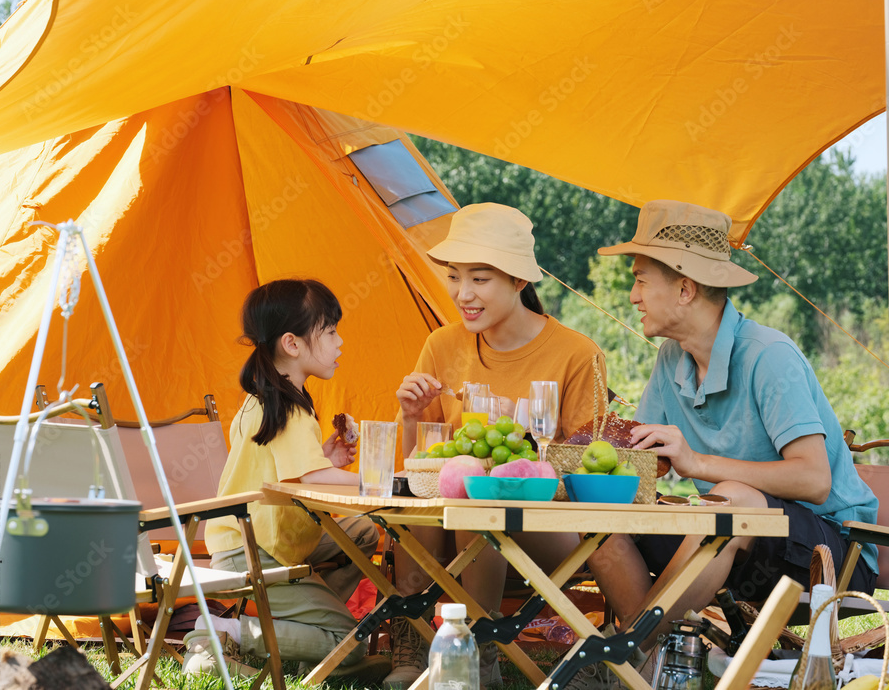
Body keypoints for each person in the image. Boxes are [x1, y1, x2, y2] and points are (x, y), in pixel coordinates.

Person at [589, 199, 879, 667]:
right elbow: (637, 465)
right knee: (603, 523)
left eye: (640, 279)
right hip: (722, 542)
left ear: (685, 289)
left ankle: (624, 654)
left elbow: (814, 480)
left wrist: (698, 464)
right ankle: (644, 660)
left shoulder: (769, 356)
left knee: (731, 499)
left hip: (826, 554)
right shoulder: (672, 358)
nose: (632, 296)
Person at [385, 203, 607, 690]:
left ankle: (476, 651)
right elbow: (418, 467)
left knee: (476, 496)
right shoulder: (441, 346)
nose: (463, 294)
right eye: (453, 276)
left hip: (550, 526)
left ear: (519, 281)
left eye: (480, 279)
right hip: (454, 522)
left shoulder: (576, 354)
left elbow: (588, 471)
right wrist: (412, 417)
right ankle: (414, 634)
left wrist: (523, 456)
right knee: (421, 498)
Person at [184, 279, 390, 681]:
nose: (339, 342)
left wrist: (325, 458)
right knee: (349, 642)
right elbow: (312, 478)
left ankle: (302, 635)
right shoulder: (288, 409)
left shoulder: (265, 398)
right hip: (254, 550)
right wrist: (380, 480)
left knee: (362, 532)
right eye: (329, 332)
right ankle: (228, 632)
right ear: (292, 344)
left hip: (255, 536)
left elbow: (290, 470)